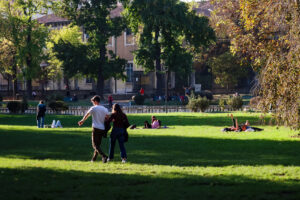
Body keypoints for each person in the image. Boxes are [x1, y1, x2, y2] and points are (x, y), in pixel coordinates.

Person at [78, 95, 109, 163]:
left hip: (95, 128)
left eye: (93, 102)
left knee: (94, 145)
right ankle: (93, 159)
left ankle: (104, 156)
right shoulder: (104, 108)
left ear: (95, 101)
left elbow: (87, 114)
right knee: (98, 145)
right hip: (102, 128)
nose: (92, 103)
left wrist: (82, 121)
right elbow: (107, 117)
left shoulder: (93, 108)